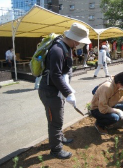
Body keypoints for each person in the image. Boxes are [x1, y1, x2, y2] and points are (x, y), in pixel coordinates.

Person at [38, 22, 91, 159]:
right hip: (50, 92)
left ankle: (59, 138)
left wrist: (66, 91)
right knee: (55, 121)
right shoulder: (58, 50)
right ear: (74, 39)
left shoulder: (65, 47)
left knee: (58, 117)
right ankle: (56, 150)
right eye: (80, 42)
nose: (80, 45)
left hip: (57, 91)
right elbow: (55, 75)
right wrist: (68, 93)